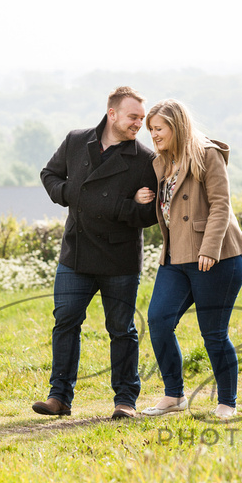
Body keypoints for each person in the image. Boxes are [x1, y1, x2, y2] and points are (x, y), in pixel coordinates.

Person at [33, 86, 159, 420]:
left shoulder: (146, 160)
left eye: (142, 119)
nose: (139, 124)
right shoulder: (76, 140)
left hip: (119, 259)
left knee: (122, 329)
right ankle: (59, 398)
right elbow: (49, 174)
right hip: (76, 252)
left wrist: (120, 207)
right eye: (133, 117)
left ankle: (125, 401)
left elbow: (150, 217)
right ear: (112, 113)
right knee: (65, 322)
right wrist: (68, 193)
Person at [134, 98, 242, 420]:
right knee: (158, 320)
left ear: (177, 126)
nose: (153, 135)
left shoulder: (207, 154)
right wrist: (140, 198)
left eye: (159, 129)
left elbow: (220, 205)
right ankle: (174, 395)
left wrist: (209, 250)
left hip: (217, 257)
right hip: (175, 257)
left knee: (213, 332)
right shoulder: (160, 162)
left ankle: (227, 403)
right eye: (151, 130)